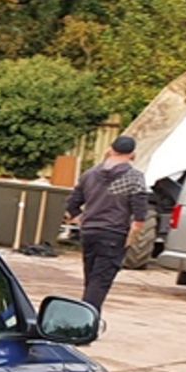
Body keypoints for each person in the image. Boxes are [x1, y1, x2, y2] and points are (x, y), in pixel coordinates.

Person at [64, 134, 153, 314]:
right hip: (114, 233)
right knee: (100, 282)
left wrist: (82, 221)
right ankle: (85, 323)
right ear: (132, 155)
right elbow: (139, 219)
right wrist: (130, 242)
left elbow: (71, 206)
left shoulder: (89, 174)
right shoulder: (134, 178)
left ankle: (86, 317)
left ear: (110, 150)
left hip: (89, 233)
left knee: (91, 279)